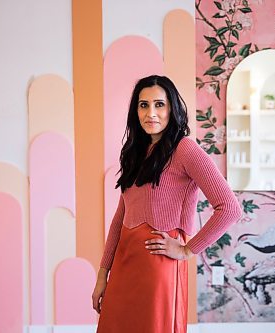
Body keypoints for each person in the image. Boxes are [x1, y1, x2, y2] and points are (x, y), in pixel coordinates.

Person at [92, 75, 241, 333]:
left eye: (159, 104)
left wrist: (187, 250)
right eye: (143, 105)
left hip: (157, 265)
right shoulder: (134, 152)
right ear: (135, 110)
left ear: (172, 108)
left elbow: (229, 208)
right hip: (124, 263)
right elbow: (120, 218)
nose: (151, 113)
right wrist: (102, 274)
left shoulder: (185, 149)